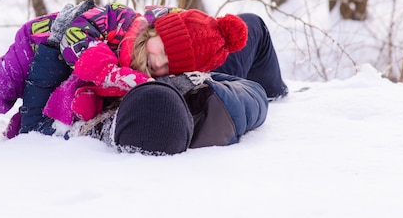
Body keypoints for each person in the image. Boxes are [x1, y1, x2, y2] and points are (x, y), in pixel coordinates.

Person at [0, 1, 249, 137]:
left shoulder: (150, 73)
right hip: (38, 45)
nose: (159, 63)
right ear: (157, 32)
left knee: (64, 108)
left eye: (168, 67)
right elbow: (76, 40)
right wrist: (116, 74)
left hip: (65, 77)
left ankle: (23, 131)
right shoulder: (121, 19)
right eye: (162, 51)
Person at [20, 13, 287, 155]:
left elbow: (32, 128)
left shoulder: (102, 127)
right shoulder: (207, 102)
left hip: (197, 83)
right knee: (254, 26)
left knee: (251, 26)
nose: (154, 69)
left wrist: (49, 50)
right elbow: (254, 93)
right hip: (210, 84)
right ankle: (281, 91)